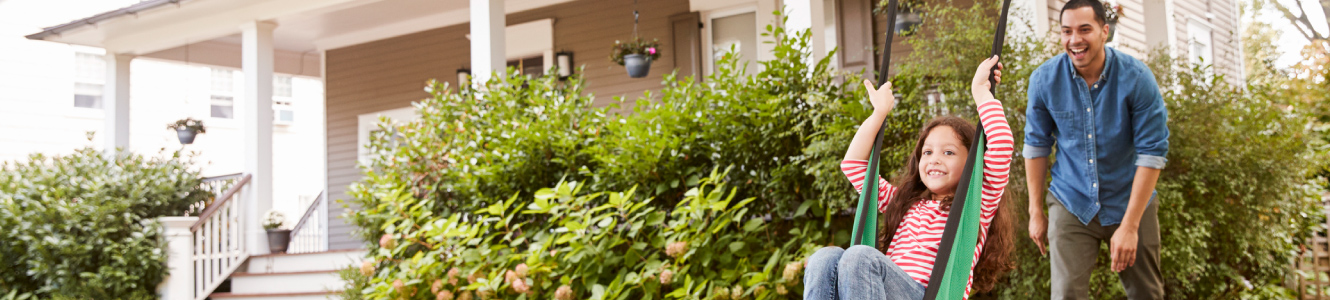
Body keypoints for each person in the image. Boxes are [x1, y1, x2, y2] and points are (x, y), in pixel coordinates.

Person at [802, 56, 1015, 300]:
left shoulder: (976, 205)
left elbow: (1001, 144)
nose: (934, 159)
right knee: (824, 258)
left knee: (859, 256)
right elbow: (854, 164)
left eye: (948, 152)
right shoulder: (904, 203)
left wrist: (980, 93)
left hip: (931, 295)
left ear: (973, 165)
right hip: (884, 290)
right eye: (927, 152)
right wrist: (879, 113)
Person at [1023, 0, 1170, 298]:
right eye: (1067, 31)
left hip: (1130, 199)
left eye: (1084, 30)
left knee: (1147, 293)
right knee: (1065, 294)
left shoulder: (1137, 78)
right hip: (1071, 199)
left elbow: (1151, 154)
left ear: (1105, 32)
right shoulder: (1044, 80)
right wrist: (1035, 210)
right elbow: (1037, 145)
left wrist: (1130, 226)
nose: (1074, 40)